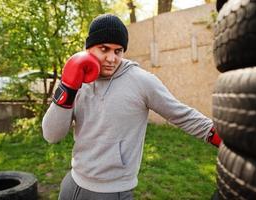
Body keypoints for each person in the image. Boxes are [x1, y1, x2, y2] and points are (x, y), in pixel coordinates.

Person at [42, 13, 221, 200]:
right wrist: (68, 87)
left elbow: (181, 114)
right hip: (72, 183)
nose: (111, 58)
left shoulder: (141, 81)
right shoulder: (78, 78)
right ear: (89, 48)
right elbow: (52, 135)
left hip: (113, 191)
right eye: (104, 49)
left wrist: (218, 136)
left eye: (118, 51)